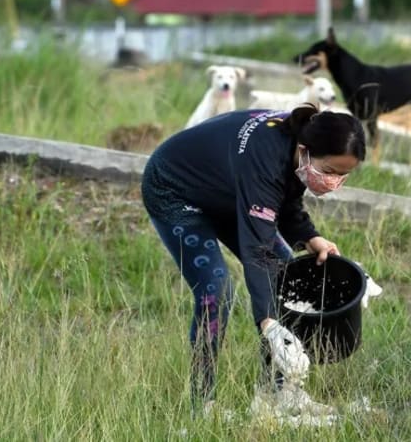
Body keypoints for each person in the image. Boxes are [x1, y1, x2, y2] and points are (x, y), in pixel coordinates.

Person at [141, 105, 366, 417]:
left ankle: (279, 394)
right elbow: (256, 250)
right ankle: (202, 405)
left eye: (344, 175)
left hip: (226, 187)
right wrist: (268, 322)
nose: (333, 182)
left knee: (285, 276)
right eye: (329, 172)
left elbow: (285, 198)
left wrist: (309, 236)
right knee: (216, 291)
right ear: (305, 152)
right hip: (175, 189)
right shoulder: (267, 158)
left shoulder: (301, 140)